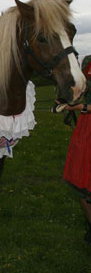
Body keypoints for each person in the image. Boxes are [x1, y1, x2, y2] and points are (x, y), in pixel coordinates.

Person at [61, 55, 91, 245]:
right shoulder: (87, 61)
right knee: (80, 183)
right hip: (85, 129)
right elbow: (81, 89)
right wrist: (69, 99)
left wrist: (85, 107)